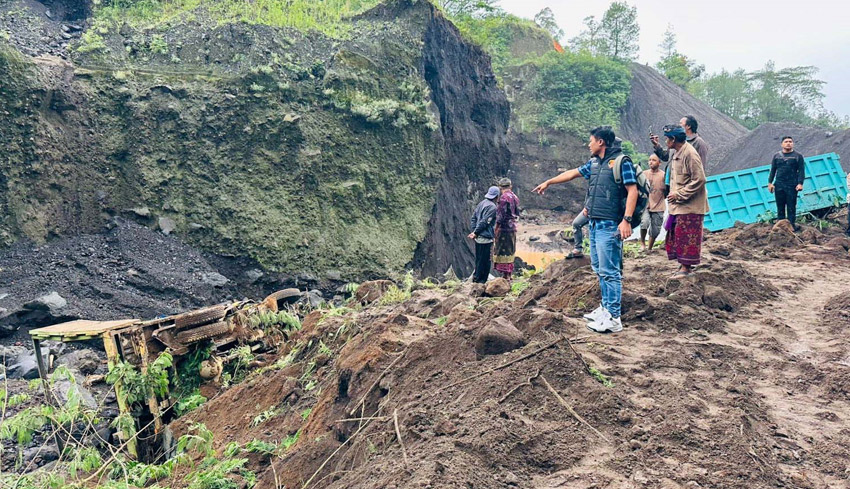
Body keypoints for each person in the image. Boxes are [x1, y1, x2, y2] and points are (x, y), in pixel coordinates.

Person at [533, 126, 638, 334]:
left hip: (610, 224)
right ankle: (605, 308)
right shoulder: (595, 163)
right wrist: (549, 182)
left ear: (601, 142)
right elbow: (573, 173)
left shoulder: (620, 162)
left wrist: (626, 220)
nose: (588, 144)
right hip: (595, 223)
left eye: (590, 141)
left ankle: (614, 318)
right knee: (599, 269)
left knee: (610, 272)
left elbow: (632, 190)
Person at [663, 125, 708, 277]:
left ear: (673, 139)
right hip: (679, 205)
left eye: (667, 138)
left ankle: (686, 268)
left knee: (686, 236)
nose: (665, 141)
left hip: (690, 205)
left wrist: (680, 194)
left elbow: (700, 179)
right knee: (676, 234)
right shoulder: (677, 152)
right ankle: (683, 265)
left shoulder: (690, 154)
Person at [767, 136, 806, 231]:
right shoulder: (777, 156)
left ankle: (791, 226)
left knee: (791, 206)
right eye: (786, 141)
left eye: (790, 141)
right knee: (780, 206)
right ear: (782, 144)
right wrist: (770, 183)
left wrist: (800, 183)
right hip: (779, 184)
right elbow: (773, 170)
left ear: (793, 143)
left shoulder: (798, 156)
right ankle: (780, 227)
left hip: (792, 185)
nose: (788, 143)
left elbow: (801, 171)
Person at [468, 186, 500, 283]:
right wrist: (475, 232)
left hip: (478, 238)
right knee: (485, 261)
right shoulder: (492, 207)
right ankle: (480, 282)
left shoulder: (481, 203)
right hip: (486, 238)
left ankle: (476, 279)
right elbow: (484, 222)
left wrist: (475, 232)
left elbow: (473, 218)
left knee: (479, 259)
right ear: (497, 196)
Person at [493, 178, 519, 281]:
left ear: (500, 187)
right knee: (510, 250)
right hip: (512, 227)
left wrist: (496, 228)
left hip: (504, 228)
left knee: (502, 250)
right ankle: (509, 274)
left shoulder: (504, 198)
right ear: (510, 186)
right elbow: (517, 213)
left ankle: (505, 275)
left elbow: (500, 216)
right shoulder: (514, 197)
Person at [639, 153, 667, 251]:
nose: (651, 162)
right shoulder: (644, 174)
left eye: (654, 160)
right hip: (646, 205)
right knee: (644, 222)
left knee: (655, 230)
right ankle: (642, 243)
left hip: (659, 205)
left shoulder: (664, 175)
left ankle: (649, 248)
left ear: (659, 163)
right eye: (650, 160)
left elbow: (668, 190)